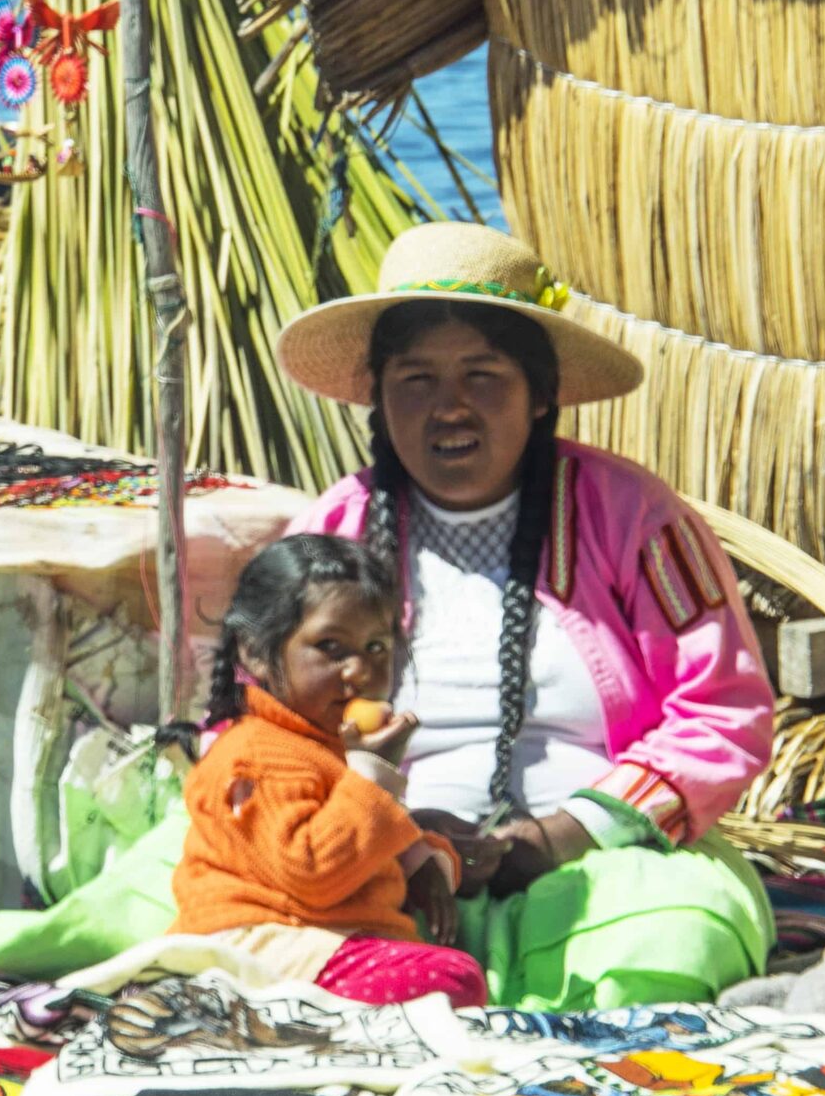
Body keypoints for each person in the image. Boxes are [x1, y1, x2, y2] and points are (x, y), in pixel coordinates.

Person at [276, 221, 777, 1010]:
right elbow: (255, 730)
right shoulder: (328, 534)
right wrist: (384, 824)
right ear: (376, 395)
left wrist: (558, 837)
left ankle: (438, 986)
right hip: (374, 862)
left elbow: (723, 711)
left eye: (483, 376)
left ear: (540, 393)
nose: (450, 409)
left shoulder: (633, 519)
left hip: (598, 868)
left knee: (684, 928)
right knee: (178, 885)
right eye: (415, 379)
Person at [164, 533, 490, 1008]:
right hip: (259, 952)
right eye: (331, 647)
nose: (358, 670)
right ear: (254, 651)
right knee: (453, 980)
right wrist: (373, 775)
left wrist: (421, 861)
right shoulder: (257, 752)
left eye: (376, 647)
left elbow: (362, 835)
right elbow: (312, 869)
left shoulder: (327, 747)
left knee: (448, 970)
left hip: (323, 945)